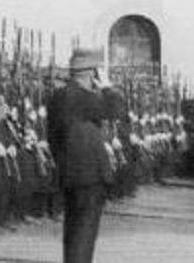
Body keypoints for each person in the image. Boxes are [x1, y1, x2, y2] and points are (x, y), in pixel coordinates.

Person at [47, 48, 114, 263]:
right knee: (85, 232)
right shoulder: (85, 98)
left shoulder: (58, 97)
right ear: (92, 73)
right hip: (91, 174)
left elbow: (52, 137)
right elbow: (117, 109)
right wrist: (107, 86)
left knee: (73, 230)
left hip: (68, 171)